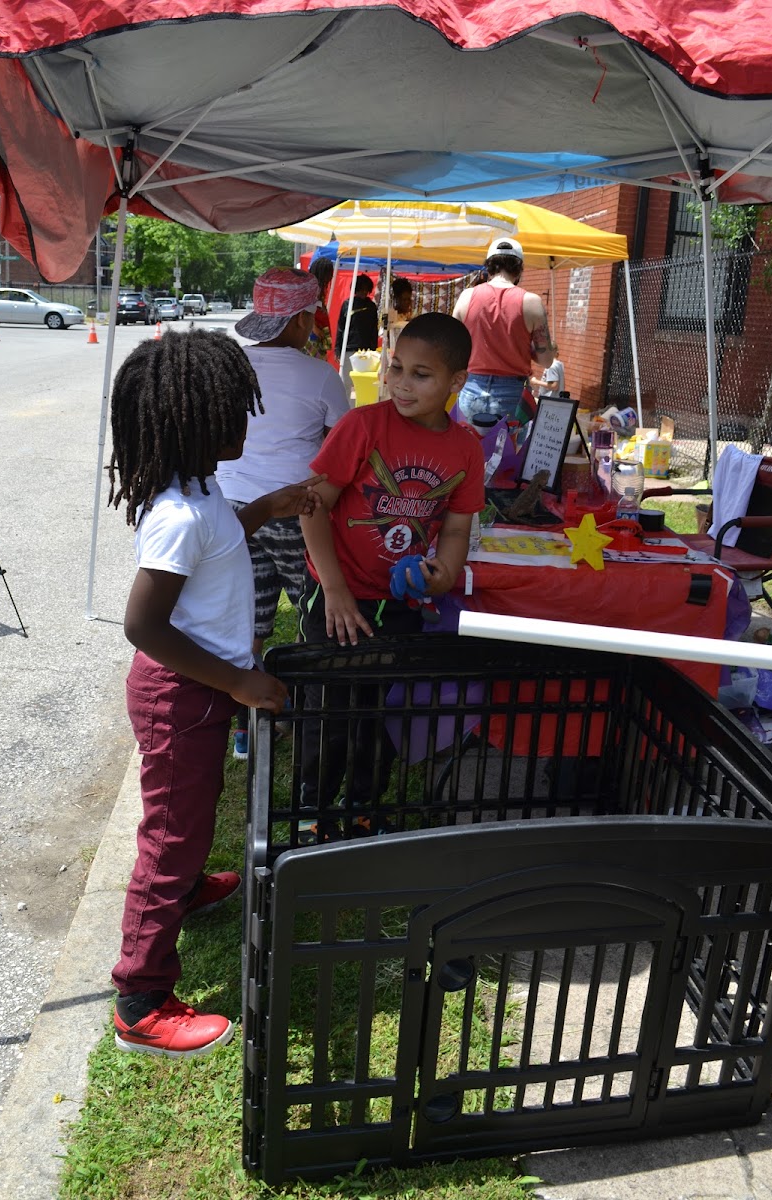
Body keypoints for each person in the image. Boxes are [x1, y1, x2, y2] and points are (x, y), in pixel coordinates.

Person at [107, 328, 322, 1058]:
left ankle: (192, 886)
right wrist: (239, 681)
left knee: (190, 818)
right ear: (189, 420)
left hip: (198, 688)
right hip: (183, 692)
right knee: (169, 835)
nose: (245, 422)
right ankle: (140, 998)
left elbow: (219, 536)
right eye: (231, 411)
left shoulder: (201, 492)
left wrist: (267, 508)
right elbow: (144, 625)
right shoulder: (179, 515)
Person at [298, 311, 485, 841]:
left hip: (398, 604)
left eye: (420, 374)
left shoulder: (466, 448)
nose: (401, 383)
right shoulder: (362, 426)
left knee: (380, 709)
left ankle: (361, 803)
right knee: (328, 709)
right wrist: (332, 590)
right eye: (397, 367)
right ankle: (311, 811)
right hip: (338, 597)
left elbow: (454, 528)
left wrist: (443, 575)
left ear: (456, 382)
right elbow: (312, 507)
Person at [217, 266, 350, 760]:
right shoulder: (320, 376)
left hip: (235, 509)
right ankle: (297, 709)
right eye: (312, 316)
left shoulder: (233, 366)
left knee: (248, 619)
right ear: (299, 321)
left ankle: (246, 726)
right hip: (298, 510)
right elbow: (342, 447)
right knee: (308, 609)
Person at [452, 236, 554, 426]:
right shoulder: (531, 302)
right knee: (508, 453)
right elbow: (546, 360)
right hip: (513, 392)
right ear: (519, 269)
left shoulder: (467, 296)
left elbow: (451, 346)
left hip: (471, 386)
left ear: (489, 266)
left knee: (467, 452)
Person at [334, 273, 379, 396]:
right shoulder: (347, 304)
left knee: (364, 384)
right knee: (345, 384)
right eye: (361, 289)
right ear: (355, 289)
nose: (364, 292)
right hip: (348, 349)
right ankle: (345, 411)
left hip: (366, 352)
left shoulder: (371, 306)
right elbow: (340, 328)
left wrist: (373, 351)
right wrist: (337, 349)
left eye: (366, 290)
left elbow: (373, 330)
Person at [305, 256, 334, 360]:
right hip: (312, 333)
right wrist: (314, 328)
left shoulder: (317, 288)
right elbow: (306, 308)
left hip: (318, 331)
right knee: (317, 362)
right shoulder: (312, 288)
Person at [386, 276, 414, 355]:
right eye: (404, 299)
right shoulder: (391, 313)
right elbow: (388, 335)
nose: (407, 302)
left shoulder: (412, 314)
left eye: (409, 299)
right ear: (396, 298)